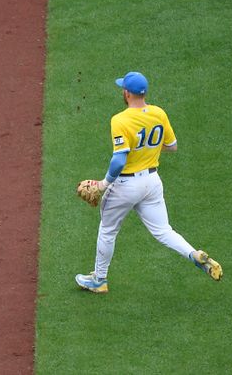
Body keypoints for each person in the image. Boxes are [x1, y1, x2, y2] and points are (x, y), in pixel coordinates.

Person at [75, 72, 222, 293]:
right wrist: (147, 148)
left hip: (125, 186)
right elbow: (172, 146)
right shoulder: (158, 113)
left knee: (107, 231)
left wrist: (103, 184)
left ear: (126, 93)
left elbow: (119, 159)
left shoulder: (120, 119)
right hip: (152, 182)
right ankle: (193, 254)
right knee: (164, 230)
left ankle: (99, 280)